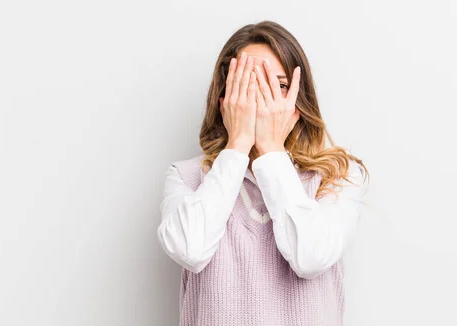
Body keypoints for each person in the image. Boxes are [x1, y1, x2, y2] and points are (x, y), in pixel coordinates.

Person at [157, 20, 370, 326]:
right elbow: (190, 249)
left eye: (278, 86)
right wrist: (238, 145)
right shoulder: (187, 177)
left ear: (297, 101)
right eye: (248, 85)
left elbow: (310, 258)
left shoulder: (338, 176)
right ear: (224, 99)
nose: (261, 100)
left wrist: (271, 148)